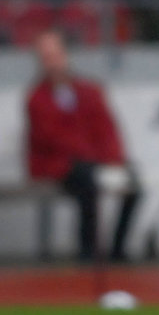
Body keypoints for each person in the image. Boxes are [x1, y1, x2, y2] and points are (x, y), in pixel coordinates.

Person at [25, 29, 141, 262]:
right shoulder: (36, 98)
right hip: (57, 165)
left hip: (91, 162)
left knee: (132, 182)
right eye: (46, 58)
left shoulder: (89, 91)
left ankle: (117, 250)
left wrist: (114, 159)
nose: (53, 63)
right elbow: (51, 139)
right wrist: (91, 157)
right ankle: (88, 252)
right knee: (87, 183)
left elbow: (106, 129)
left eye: (56, 55)